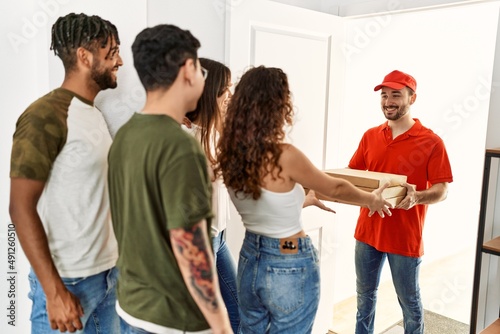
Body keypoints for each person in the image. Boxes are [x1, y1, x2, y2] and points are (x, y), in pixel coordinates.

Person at [216, 65, 392, 334]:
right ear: (278, 105)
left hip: (252, 257)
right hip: (289, 254)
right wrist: (372, 199)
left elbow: (263, 202)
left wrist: (300, 201)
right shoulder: (283, 155)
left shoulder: (229, 153)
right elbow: (335, 187)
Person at [108, 24, 232, 334]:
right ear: (189, 70)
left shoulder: (126, 134)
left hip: (132, 309)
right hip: (171, 321)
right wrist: (221, 327)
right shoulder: (180, 147)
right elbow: (192, 251)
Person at [9, 13, 122, 333]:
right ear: (85, 57)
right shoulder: (44, 115)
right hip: (68, 284)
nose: (120, 61)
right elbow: (20, 206)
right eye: (111, 52)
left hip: (107, 278)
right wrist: (54, 291)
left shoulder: (93, 114)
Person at [348, 70, 453, 334]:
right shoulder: (370, 136)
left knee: (409, 302)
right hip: (367, 233)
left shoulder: (431, 142)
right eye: (384, 95)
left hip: (404, 238)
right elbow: (354, 177)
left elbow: (442, 190)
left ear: (412, 98)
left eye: (396, 94)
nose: (388, 101)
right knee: (364, 299)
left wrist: (417, 196)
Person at [182, 58, 240, 333]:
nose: (229, 96)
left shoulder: (215, 135)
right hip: (201, 241)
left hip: (220, 236)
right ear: (209, 94)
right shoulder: (186, 135)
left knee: (237, 311)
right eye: (225, 90)